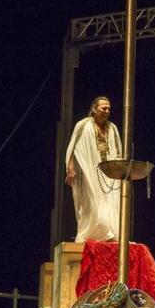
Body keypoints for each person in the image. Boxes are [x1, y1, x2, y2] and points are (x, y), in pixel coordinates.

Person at [65, 96, 123, 242]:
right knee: (92, 203)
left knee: (111, 204)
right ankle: (92, 235)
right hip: (90, 170)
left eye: (109, 108)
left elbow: (118, 151)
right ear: (94, 109)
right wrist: (70, 168)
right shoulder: (83, 125)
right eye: (103, 108)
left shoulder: (113, 128)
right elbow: (72, 148)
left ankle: (109, 235)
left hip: (109, 173)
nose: (107, 111)